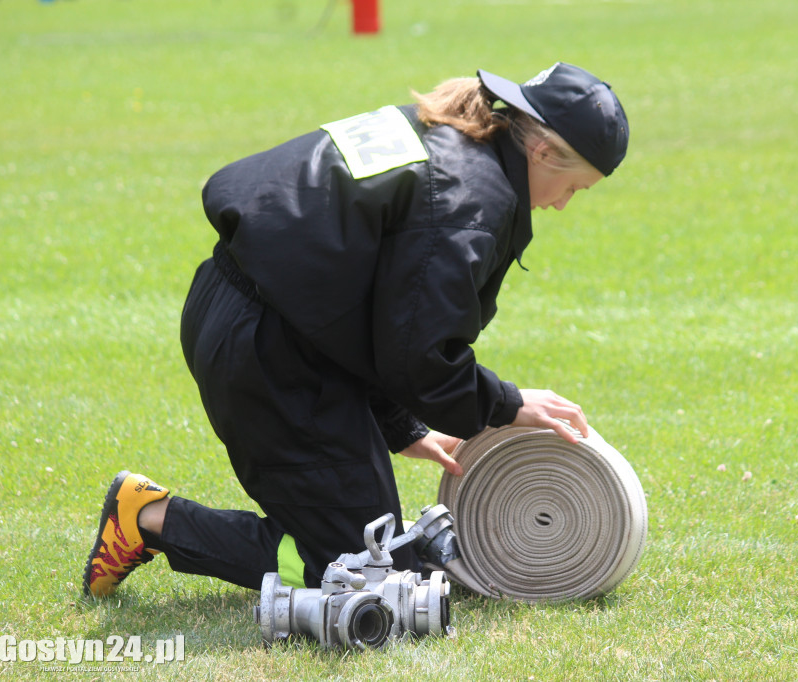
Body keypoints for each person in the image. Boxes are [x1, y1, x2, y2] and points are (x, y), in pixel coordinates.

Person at [83, 62, 629, 597]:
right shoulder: (471, 195)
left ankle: (358, 544)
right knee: (368, 577)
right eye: (574, 187)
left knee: (387, 558)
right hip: (268, 346)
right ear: (541, 150)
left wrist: (399, 425)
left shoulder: (455, 140)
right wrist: (505, 404)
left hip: (270, 320)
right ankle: (147, 518)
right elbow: (420, 354)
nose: (561, 203)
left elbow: (367, 299)